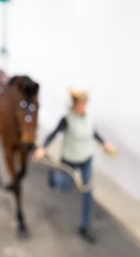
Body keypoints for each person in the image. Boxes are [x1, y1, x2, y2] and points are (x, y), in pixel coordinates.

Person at [32, 88, 116, 243]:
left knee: (88, 193)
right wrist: (43, 148)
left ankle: (85, 226)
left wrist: (105, 144)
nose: (82, 107)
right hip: (69, 161)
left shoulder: (90, 119)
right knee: (66, 187)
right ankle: (54, 178)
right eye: (80, 104)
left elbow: (94, 133)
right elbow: (53, 133)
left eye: (85, 104)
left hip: (86, 160)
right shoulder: (67, 119)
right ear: (75, 105)